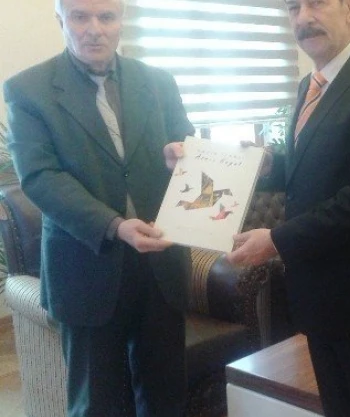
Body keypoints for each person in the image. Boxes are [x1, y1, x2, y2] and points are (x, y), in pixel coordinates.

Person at [225, 0, 350, 415]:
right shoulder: (311, 84)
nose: (303, 17)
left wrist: (276, 240)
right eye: (293, 7)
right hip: (322, 298)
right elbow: (311, 167)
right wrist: (264, 165)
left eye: (316, 2)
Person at [4, 0, 193, 415]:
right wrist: (115, 225)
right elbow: (40, 177)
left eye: (106, 16)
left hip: (160, 268)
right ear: (60, 20)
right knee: (97, 403)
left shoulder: (158, 82)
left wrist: (179, 153)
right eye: (80, 16)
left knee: (166, 399)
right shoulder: (28, 89)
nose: (95, 28)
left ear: (121, 20)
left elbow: (185, 145)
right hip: (86, 266)